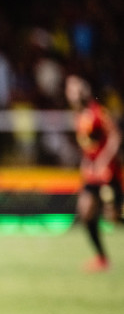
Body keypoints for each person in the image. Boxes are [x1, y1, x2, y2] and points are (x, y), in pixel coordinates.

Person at [64, 75, 123, 272]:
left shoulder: (97, 113)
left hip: (108, 172)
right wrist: (86, 163)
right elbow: (89, 147)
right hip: (93, 174)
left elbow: (115, 136)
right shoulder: (79, 116)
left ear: (82, 92)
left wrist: (103, 161)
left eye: (72, 89)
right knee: (86, 211)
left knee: (114, 217)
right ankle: (102, 258)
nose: (69, 93)